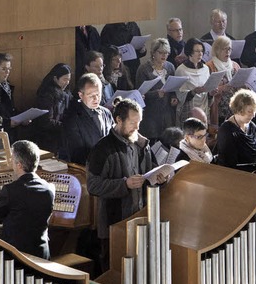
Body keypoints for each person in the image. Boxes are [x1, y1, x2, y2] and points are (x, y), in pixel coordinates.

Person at [86, 97, 159, 271]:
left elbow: (152, 171)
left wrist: (159, 177)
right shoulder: (102, 149)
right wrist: (124, 184)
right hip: (114, 222)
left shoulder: (143, 145)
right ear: (119, 120)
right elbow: (93, 185)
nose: (137, 127)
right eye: (133, 123)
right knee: (115, 271)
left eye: (139, 122)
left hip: (141, 219)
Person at [0, 140, 55, 259]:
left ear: (19, 165)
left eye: (12, 159)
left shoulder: (11, 190)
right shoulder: (49, 188)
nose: (11, 162)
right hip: (41, 252)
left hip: (15, 256)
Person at [59, 73, 114, 165]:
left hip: (108, 166)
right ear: (81, 95)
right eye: (91, 95)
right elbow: (76, 152)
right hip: (85, 167)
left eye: (98, 94)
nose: (96, 99)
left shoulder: (106, 113)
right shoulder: (72, 118)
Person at [135, 38, 177, 140]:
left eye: (166, 53)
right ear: (153, 52)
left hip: (167, 113)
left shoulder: (170, 67)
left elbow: (173, 88)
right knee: (153, 142)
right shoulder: (144, 69)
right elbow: (139, 94)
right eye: (161, 52)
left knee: (168, 142)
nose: (164, 55)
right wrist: (156, 94)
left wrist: (173, 97)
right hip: (151, 115)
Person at [216, 89, 256, 174]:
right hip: (236, 176)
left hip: (254, 173)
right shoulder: (226, 130)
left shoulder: (252, 126)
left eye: (254, 111)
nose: (253, 115)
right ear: (238, 109)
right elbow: (229, 164)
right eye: (249, 111)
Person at [32, 63, 72, 153]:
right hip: (49, 139)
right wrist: (67, 126)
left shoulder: (66, 93)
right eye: (64, 79)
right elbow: (46, 121)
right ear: (55, 79)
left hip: (61, 136)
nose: (67, 82)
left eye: (69, 79)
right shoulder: (46, 95)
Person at [175, 38, 213, 125]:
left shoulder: (206, 68)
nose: (200, 54)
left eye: (202, 51)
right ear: (189, 52)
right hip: (189, 109)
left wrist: (211, 94)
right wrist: (194, 91)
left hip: (204, 107)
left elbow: (207, 89)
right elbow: (180, 95)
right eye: (197, 51)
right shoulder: (181, 70)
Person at [206, 36, 239, 127]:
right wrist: (222, 88)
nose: (228, 52)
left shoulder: (235, 65)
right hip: (218, 106)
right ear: (217, 50)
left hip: (234, 106)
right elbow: (206, 89)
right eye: (225, 49)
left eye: (229, 49)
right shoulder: (209, 66)